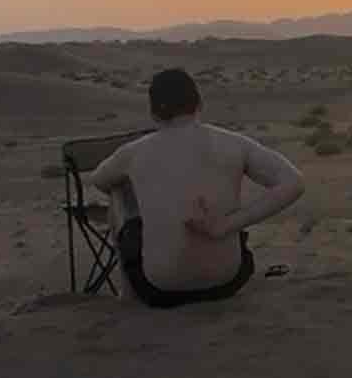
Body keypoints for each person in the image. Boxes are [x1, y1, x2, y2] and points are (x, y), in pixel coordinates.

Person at [88, 68, 304, 307]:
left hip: (158, 289)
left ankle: (127, 294)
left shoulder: (133, 152)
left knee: (117, 193)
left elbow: (99, 180)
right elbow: (294, 182)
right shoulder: (234, 143)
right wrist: (226, 225)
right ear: (199, 103)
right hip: (228, 282)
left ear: (153, 112)